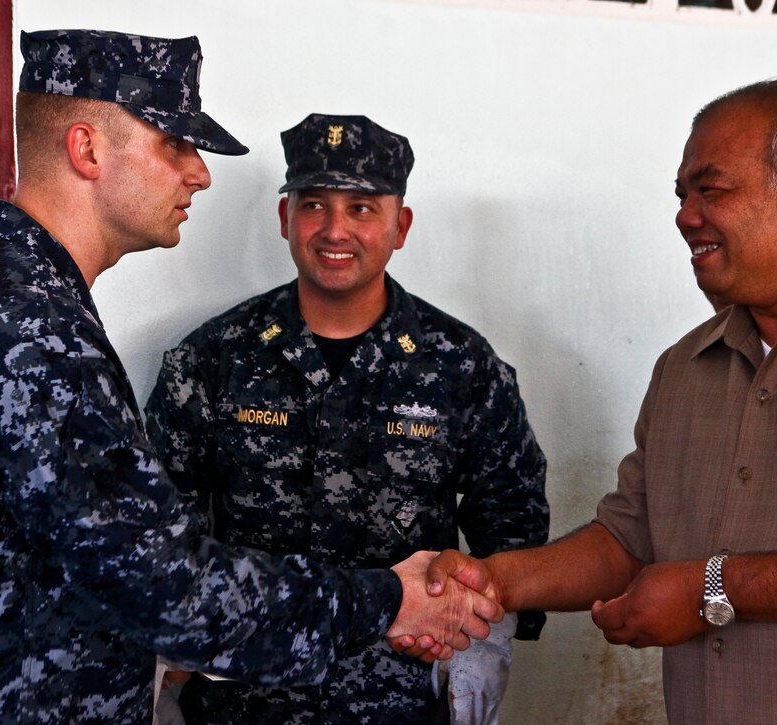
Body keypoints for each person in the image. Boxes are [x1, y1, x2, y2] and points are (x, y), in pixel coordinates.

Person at [0, 29, 501, 723]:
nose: (199, 173)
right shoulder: (28, 330)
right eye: (174, 143)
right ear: (87, 149)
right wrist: (388, 599)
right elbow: (167, 588)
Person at [419, 77, 777, 724]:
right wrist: (495, 581)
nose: (685, 216)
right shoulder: (685, 368)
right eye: (682, 196)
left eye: (713, 190)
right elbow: (631, 537)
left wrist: (712, 588)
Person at [144, 113, 550, 724]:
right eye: (313, 205)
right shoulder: (212, 359)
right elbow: (159, 526)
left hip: (401, 697)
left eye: (362, 208)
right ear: (285, 219)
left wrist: (473, 621)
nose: (335, 230)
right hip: (243, 698)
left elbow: (512, 522)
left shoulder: (460, 365)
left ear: (400, 226)